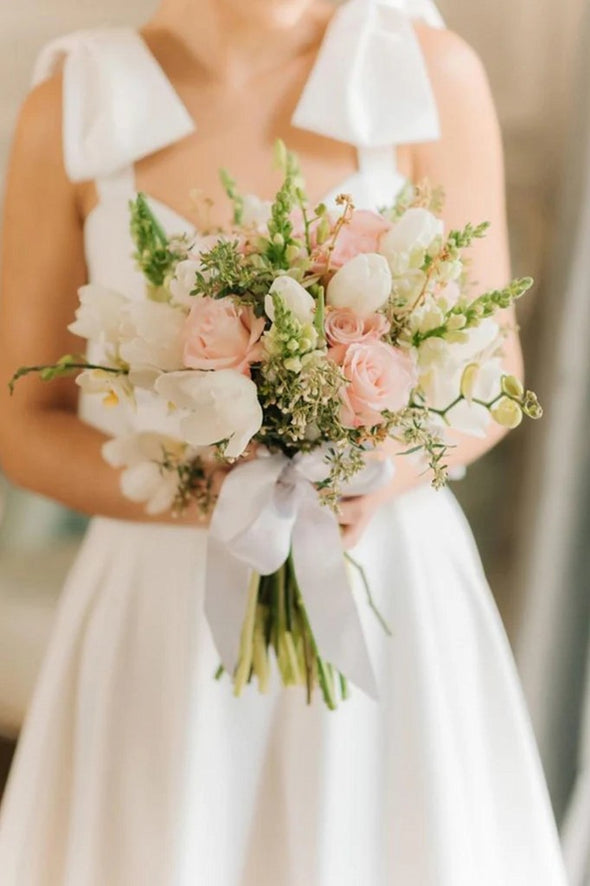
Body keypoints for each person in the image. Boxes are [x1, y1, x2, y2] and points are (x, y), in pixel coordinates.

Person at [0, 0, 569, 883]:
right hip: (162, 609)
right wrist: (217, 493)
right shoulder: (74, 101)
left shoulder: (429, 71)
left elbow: (493, 379)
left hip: (388, 588)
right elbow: (18, 421)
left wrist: (370, 474)